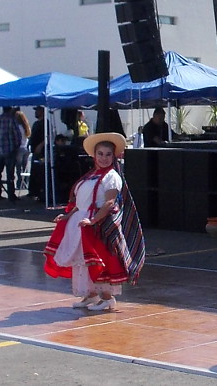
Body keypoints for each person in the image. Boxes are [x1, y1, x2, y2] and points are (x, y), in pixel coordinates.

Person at [44, 132, 145, 311]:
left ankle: (107, 298)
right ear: (94, 155)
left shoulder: (112, 177)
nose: (104, 158)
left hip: (98, 227)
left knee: (99, 261)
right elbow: (80, 203)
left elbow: (109, 202)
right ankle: (90, 295)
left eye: (108, 154)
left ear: (114, 156)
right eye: (100, 154)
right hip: (81, 224)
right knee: (83, 261)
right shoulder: (90, 176)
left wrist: (93, 220)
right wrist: (66, 217)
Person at [0, 106, 23, 201]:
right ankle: (11, 195)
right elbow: (17, 135)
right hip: (10, 150)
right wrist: (16, 147)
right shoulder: (12, 120)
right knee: (10, 174)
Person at [28, 106, 45, 199]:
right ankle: (33, 191)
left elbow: (47, 136)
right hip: (34, 150)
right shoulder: (36, 123)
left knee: (40, 171)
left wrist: (41, 145)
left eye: (37, 111)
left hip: (41, 151)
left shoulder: (45, 123)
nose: (35, 112)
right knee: (34, 170)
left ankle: (39, 191)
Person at [14, 110, 31, 190]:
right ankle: (26, 183)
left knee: (18, 168)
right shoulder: (26, 127)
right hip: (26, 148)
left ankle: (19, 183)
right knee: (25, 167)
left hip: (20, 148)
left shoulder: (17, 127)